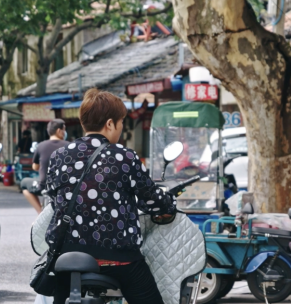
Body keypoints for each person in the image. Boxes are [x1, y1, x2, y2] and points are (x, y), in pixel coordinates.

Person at [46, 89, 177, 304]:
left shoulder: (59, 156)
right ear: (109, 124)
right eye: (121, 123)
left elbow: (54, 198)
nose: (121, 128)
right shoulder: (124, 156)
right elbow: (151, 199)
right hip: (118, 258)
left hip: (67, 257)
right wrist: (168, 205)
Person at [20, 119, 69, 213]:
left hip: (44, 186)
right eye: (64, 129)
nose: (65, 132)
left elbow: (35, 167)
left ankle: (40, 213)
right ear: (59, 131)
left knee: (24, 184)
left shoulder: (41, 146)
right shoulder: (69, 146)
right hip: (64, 186)